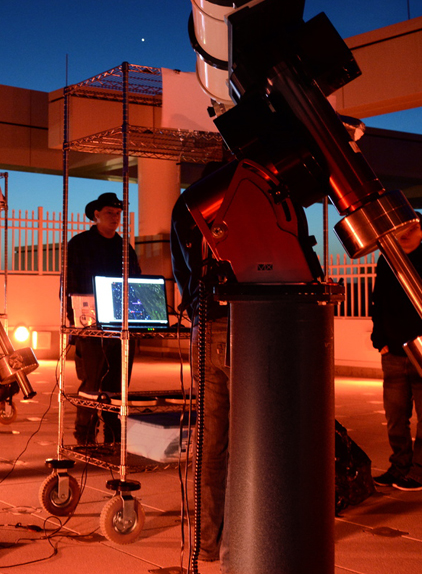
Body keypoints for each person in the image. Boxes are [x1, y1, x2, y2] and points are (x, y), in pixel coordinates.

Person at [369, 212, 422, 492]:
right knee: (395, 418)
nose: (405, 233)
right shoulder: (386, 262)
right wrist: (379, 340)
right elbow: (377, 302)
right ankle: (400, 466)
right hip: (393, 352)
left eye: (412, 228)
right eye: (400, 228)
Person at [170, 190, 228, 563]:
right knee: (252, 440)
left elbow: (181, 267)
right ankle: (246, 539)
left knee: (209, 442)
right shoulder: (246, 192)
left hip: (204, 324)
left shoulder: (186, 204)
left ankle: (207, 543)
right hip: (245, 323)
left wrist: (192, 303)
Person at [65, 191, 140, 445]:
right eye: (110, 213)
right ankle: (84, 435)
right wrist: (73, 321)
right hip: (90, 325)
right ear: (96, 215)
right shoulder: (79, 244)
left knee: (118, 383)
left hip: (120, 326)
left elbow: (136, 283)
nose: (115, 218)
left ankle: (113, 435)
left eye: (118, 214)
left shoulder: (124, 247)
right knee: (92, 382)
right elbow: (70, 283)